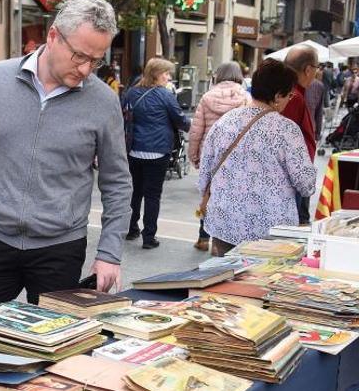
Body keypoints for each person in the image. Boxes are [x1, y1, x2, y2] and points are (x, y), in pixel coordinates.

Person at [0, 0, 132, 313]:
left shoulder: (103, 101)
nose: (86, 69)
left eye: (96, 60)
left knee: (54, 353)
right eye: (79, 56)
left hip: (60, 249)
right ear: (53, 36)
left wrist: (109, 253)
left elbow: (117, 182)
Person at [198, 59, 316, 256]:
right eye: (289, 95)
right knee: (263, 284)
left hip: (225, 223)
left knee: (226, 281)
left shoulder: (225, 121)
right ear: (278, 96)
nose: (289, 100)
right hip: (271, 230)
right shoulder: (286, 130)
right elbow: (306, 185)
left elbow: (204, 173)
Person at [122, 58, 190, 250]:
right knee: (153, 195)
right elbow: (180, 120)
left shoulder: (132, 92)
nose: (169, 77)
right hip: (158, 151)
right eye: (166, 73)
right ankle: (149, 237)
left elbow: (123, 115)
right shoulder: (165, 95)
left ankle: (131, 228)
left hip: (134, 149)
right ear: (157, 74)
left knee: (135, 191)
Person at [188, 61, 250, 252]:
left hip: (211, 154)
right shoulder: (246, 98)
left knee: (209, 195)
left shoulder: (207, 97)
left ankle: (203, 237)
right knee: (231, 199)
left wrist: (194, 156)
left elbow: (196, 130)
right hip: (236, 156)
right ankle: (222, 241)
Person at [282, 45, 320, 225]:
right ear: (307, 69)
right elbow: (286, 141)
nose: (316, 73)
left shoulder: (292, 93)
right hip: (292, 176)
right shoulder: (293, 96)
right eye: (316, 67)